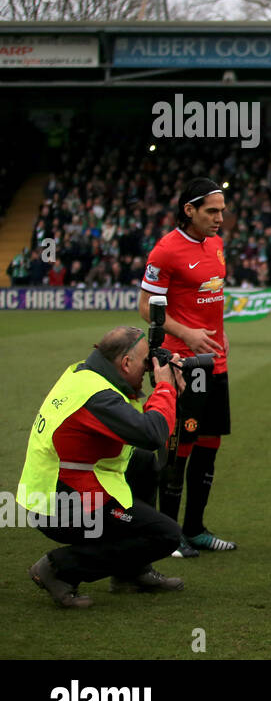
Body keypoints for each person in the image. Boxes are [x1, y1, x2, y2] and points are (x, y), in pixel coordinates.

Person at [19, 325, 186, 607]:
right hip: (59, 504)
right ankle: (59, 568)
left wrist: (166, 391)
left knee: (144, 461)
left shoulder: (83, 374)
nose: (149, 369)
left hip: (57, 486)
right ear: (125, 363)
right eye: (146, 362)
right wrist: (167, 387)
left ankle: (131, 571)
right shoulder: (99, 397)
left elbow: (143, 440)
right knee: (165, 535)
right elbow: (151, 433)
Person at [138, 177, 236, 557]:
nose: (219, 217)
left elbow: (210, 297)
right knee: (181, 445)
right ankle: (169, 533)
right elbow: (146, 305)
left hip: (217, 360)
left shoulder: (215, 243)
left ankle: (195, 528)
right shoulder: (166, 250)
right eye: (211, 210)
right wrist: (188, 335)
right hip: (183, 362)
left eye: (222, 210)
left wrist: (219, 335)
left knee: (210, 444)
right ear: (189, 210)